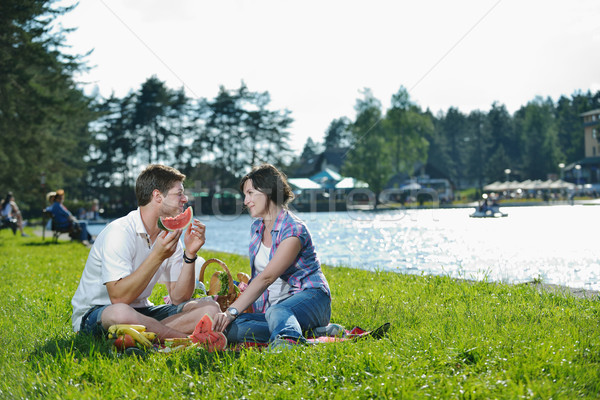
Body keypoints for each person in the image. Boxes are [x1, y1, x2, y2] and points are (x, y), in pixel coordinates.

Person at [71, 164, 220, 340]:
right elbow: (119, 298)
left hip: (142, 312)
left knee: (210, 308)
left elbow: (179, 298)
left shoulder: (168, 236)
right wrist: (157, 256)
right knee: (121, 313)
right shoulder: (119, 231)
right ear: (157, 196)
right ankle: (184, 339)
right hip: (98, 313)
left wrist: (190, 254)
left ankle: (144, 335)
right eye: (179, 193)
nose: (185, 198)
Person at [212, 164, 333, 350]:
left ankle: (287, 346)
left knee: (277, 311)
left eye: (250, 193)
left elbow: (267, 277)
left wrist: (231, 311)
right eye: (245, 195)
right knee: (233, 328)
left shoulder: (293, 229)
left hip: (311, 298)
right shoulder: (257, 228)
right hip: (272, 311)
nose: (246, 201)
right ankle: (312, 331)